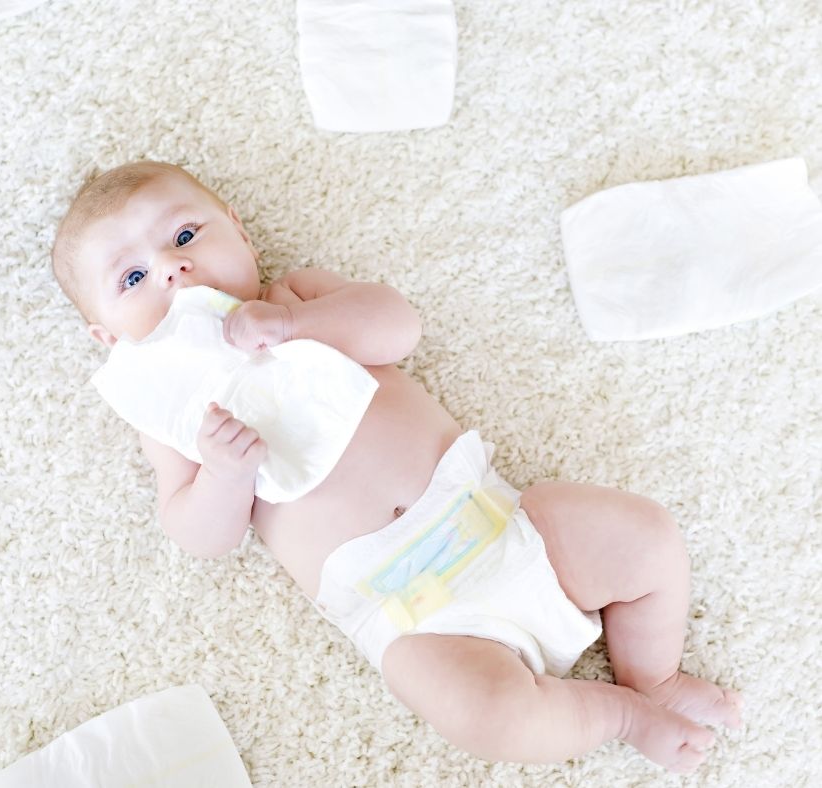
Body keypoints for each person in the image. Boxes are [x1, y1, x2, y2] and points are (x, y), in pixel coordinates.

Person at [52, 160, 742, 773]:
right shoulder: (171, 415)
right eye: (135, 277)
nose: (174, 271)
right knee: (488, 715)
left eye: (185, 237)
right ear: (108, 338)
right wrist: (225, 476)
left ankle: (650, 675)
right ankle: (620, 715)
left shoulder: (297, 299)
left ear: (240, 231)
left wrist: (292, 327)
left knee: (644, 537)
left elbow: (397, 326)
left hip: (502, 524)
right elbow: (196, 533)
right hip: (413, 616)